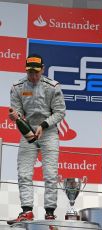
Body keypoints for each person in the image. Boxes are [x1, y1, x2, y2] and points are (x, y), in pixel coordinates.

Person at [7, 54, 66, 224]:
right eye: (30, 72)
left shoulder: (52, 86)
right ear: (26, 70)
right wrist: (15, 116)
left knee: (50, 174)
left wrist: (44, 125)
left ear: (43, 69)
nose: (33, 76)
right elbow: (16, 111)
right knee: (24, 173)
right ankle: (26, 211)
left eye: (36, 73)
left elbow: (60, 112)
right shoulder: (18, 87)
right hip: (27, 132)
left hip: (49, 132)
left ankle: (49, 212)